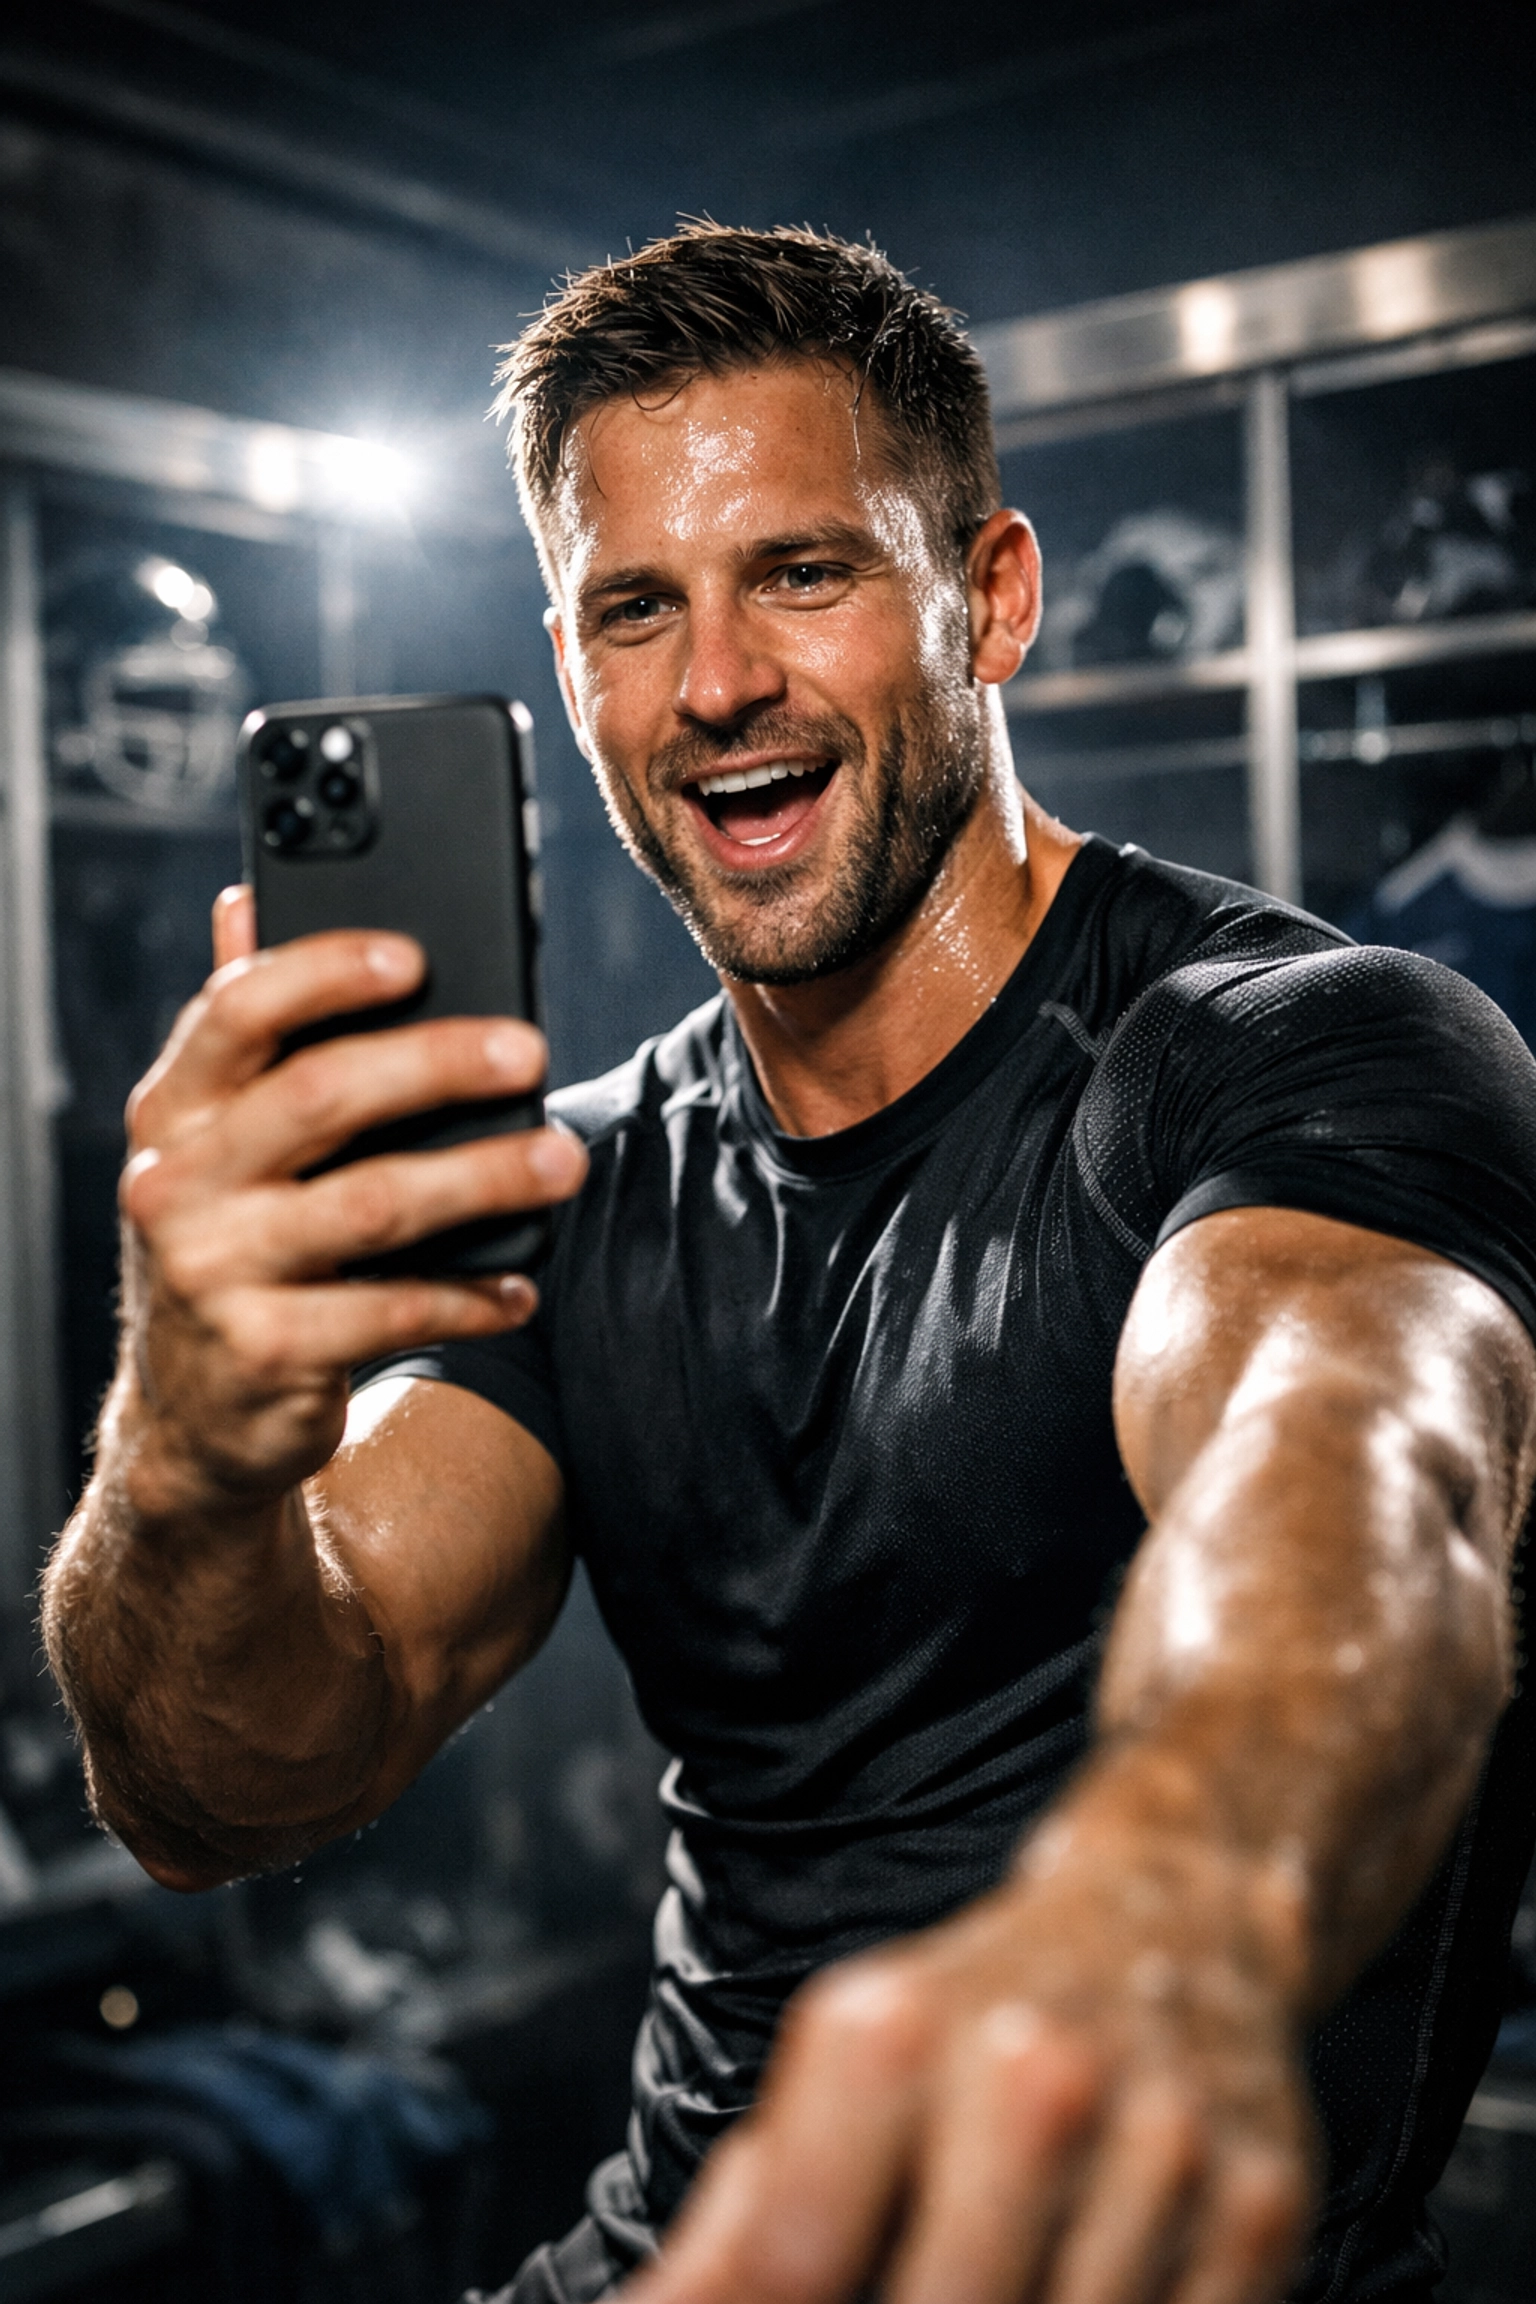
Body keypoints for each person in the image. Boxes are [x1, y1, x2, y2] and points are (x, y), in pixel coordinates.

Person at [40, 225, 1536, 2304]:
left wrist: (1173, 1893)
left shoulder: (1283, 1054)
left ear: (990, 597)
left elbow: (1364, 1475)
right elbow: (226, 1778)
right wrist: (193, 1449)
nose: (717, 684)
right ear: (570, 666)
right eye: (634, 606)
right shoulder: (573, 1189)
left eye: (802, 574)